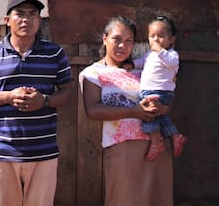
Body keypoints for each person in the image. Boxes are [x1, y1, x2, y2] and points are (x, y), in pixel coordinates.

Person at [0, 0, 75, 206]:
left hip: (43, 149)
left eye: (33, 14)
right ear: (7, 20)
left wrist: (44, 100)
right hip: (4, 150)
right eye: (20, 13)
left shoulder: (55, 54)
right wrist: (8, 96)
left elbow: (68, 92)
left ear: (40, 20)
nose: (26, 19)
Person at [79, 15, 174, 206]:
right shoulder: (93, 73)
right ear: (105, 39)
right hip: (122, 146)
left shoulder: (145, 69)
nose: (122, 45)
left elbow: (165, 98)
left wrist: (160, 108)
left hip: (157, 144)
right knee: (124, 199)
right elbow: (93, 110)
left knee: (158, 198)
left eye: (128, 41)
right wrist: (134, 111)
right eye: (117, 39)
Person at [131, 16, 187, 161]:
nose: (156, 40)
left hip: (160, 91)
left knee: (149, 115)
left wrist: (160, 50)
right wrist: (131, 64)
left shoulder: (171, 54)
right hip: (150, 91)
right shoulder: (149, 54)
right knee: (160, 116)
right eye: (152, 36)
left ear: (171, 40)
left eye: (161, 36)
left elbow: (171, 63)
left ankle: (156, 142)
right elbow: (141, 63)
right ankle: (175, 136)